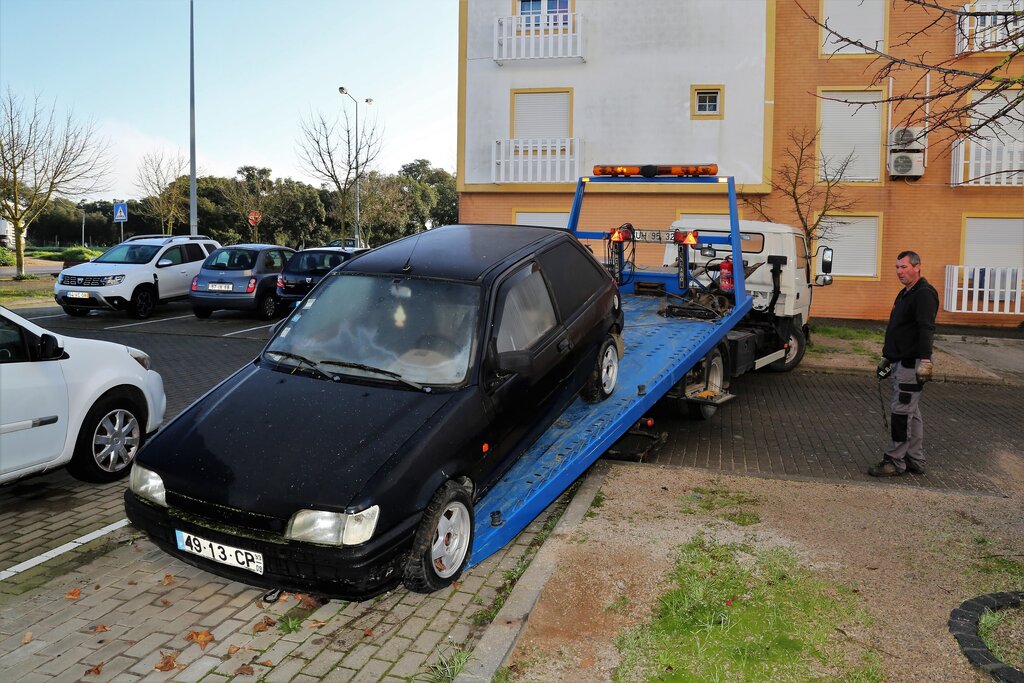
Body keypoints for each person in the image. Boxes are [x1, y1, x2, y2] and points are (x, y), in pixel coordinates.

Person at [869, 251, 939, 477]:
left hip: (912, 364)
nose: (899, 271)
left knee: (901, 413)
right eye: (897, 267)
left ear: (917, 267)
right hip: (900, 362)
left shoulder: (924, 294)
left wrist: (926, 361)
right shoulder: (905, 293)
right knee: (912, 412)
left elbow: (926, 328)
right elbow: (900, 330)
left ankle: (894, 461)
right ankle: (915, 459)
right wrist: (887, 357)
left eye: (904, 267)